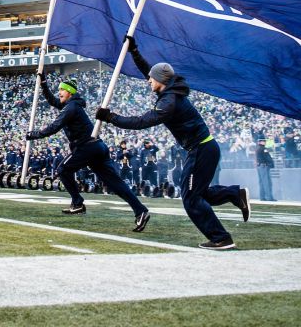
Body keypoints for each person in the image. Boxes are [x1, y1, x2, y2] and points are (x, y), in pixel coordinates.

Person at [96, 36, 249, 250]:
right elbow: (149, 71)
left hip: (200, 149)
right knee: (199, 193)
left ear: (161, 81)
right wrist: (134, 51)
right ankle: (234, 194)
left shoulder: (169, 102)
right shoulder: (169, 90)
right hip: (204, 147)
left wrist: (110, 117)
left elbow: (141, 122)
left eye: (151, 79)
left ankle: (221, 237)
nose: (148, 81)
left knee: (190, 198)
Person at [26, 75, 150, 233]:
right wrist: (43, 84)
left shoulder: (70, 108)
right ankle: (141, 211)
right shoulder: (71, 106)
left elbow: (55, 126)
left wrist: (34, 134)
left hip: (86, 147)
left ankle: (77, 203)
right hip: (97, 146)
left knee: (63, 170)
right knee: (115, 184)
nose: (59, 92)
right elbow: (52, 101)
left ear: (70, 92)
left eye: (62, 89)